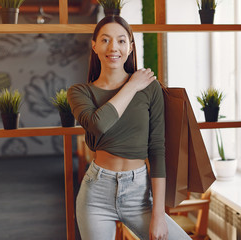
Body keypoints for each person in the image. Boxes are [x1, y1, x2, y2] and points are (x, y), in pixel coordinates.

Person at [67, 16, 191, 240]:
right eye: (105, 40)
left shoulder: (150, 88)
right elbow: (98, 124)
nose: (113, 47)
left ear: (131, 47)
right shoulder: (80, 92)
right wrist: (132, 85)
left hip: (140, 194)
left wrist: (159, 213)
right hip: (96, 194)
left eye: (121, 41)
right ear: (94, 45)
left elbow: (157, 150)